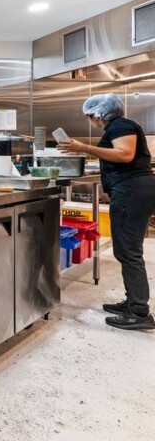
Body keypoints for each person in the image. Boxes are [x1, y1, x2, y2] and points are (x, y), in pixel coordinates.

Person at [58, 93, 155, 330]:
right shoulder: (118, 127)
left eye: (90, 116)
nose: (90, 120)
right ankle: (133, 303)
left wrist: (83, 147)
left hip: (131, 190)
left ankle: (139, 312)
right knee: (127, 249)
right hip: (132, 189)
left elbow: (125, 154)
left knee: (128, 251)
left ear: (99, 114)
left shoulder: (121, 125)